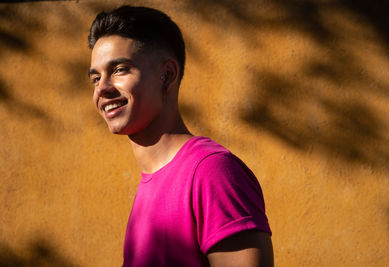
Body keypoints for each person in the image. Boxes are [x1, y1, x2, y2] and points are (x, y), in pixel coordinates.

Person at [88, 5, 273, 267]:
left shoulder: (211, 172)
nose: (102, 88)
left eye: (119, 70)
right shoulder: (151, 182)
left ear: (167, 75)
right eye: (95, 78)